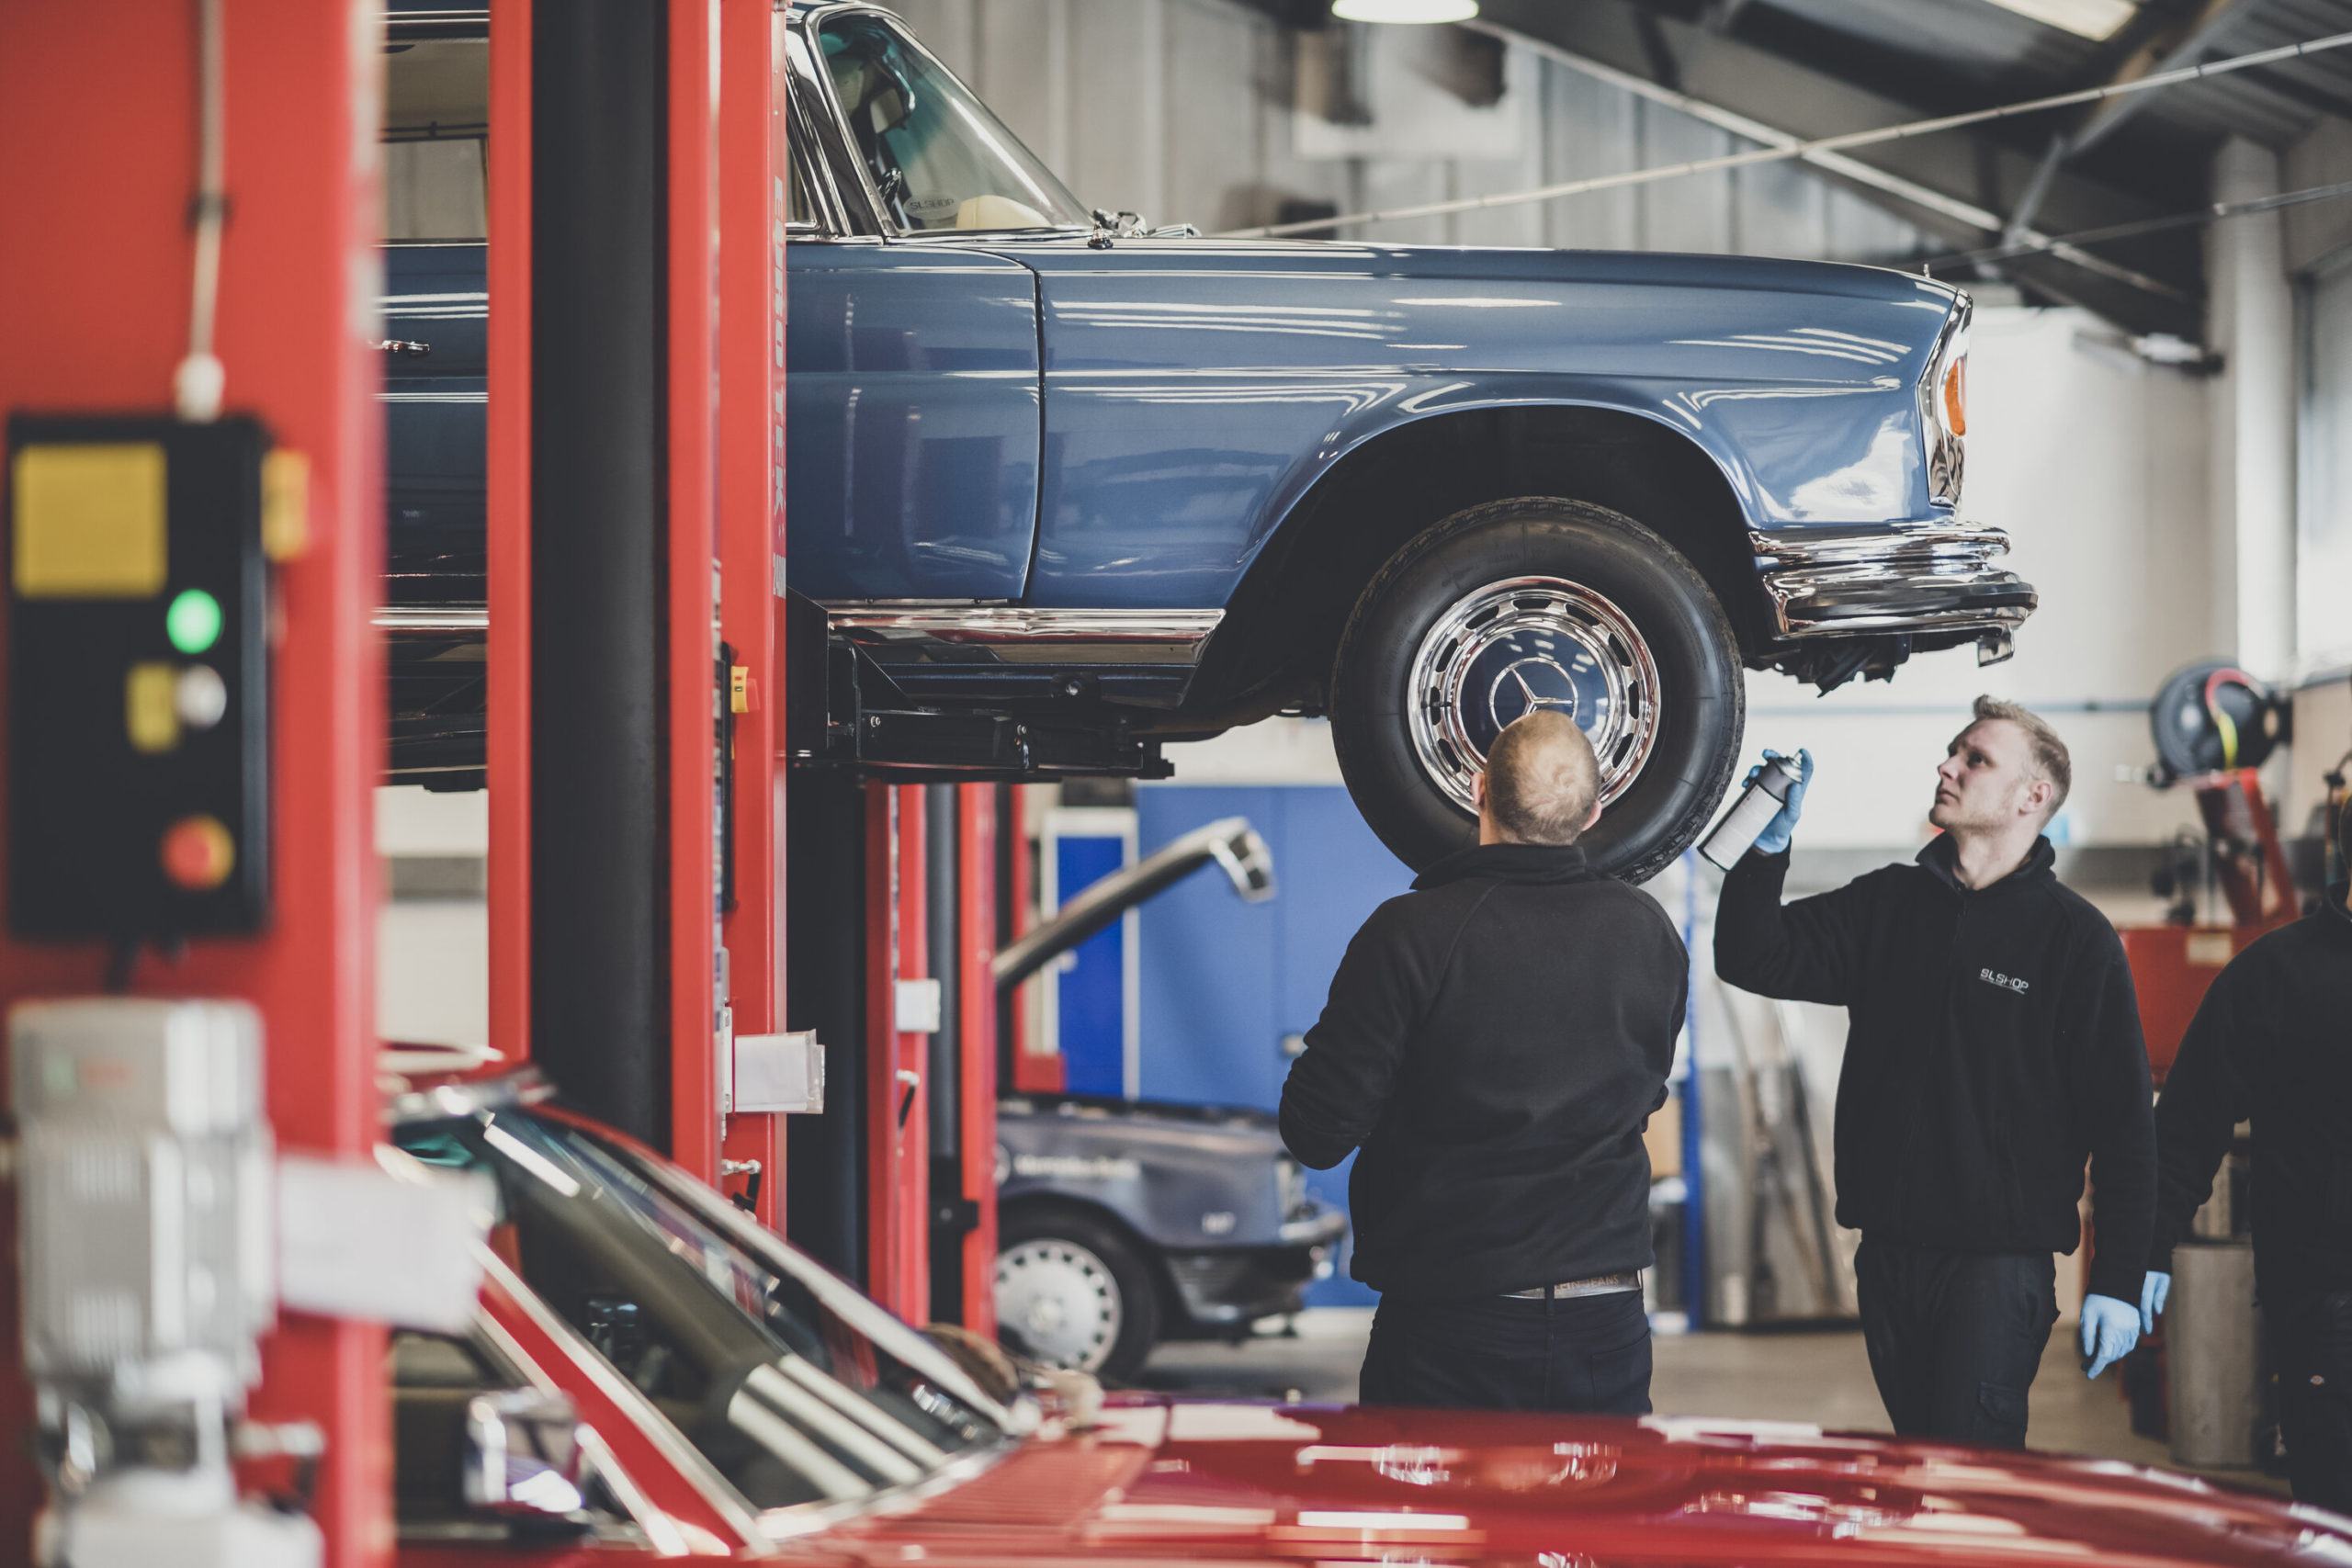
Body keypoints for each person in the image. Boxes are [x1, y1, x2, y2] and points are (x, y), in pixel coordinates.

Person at [1713, 696, 2155, 1449]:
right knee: (1922, 1467)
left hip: (1995, 1269)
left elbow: (2124, 1124)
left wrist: (2117, 1278)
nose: (1947, 766)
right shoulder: (1889, 903)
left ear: (2031, 796)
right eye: (1953, 750)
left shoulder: (2075, 940)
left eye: (1975, 758)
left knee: (1967, 1484)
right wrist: (1764, 851)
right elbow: (1753, 954)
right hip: (1888, 1257)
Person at [1279, 710, 1688, 1413]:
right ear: (1593, 812)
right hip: (1607, 1321)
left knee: (1440, 1527)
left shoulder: (1409, 933)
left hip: (1453, 1327)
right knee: (1596, 1525)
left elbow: (1315, 1133)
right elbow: (1643, 1095)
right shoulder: (1649, 931)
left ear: (1477, 790)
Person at [2141, 798, 2352, 1510]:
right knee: (2336, 1516)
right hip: (2329, 1303)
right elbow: (2188, 1126)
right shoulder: (2274, 977)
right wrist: (2139, 1255)